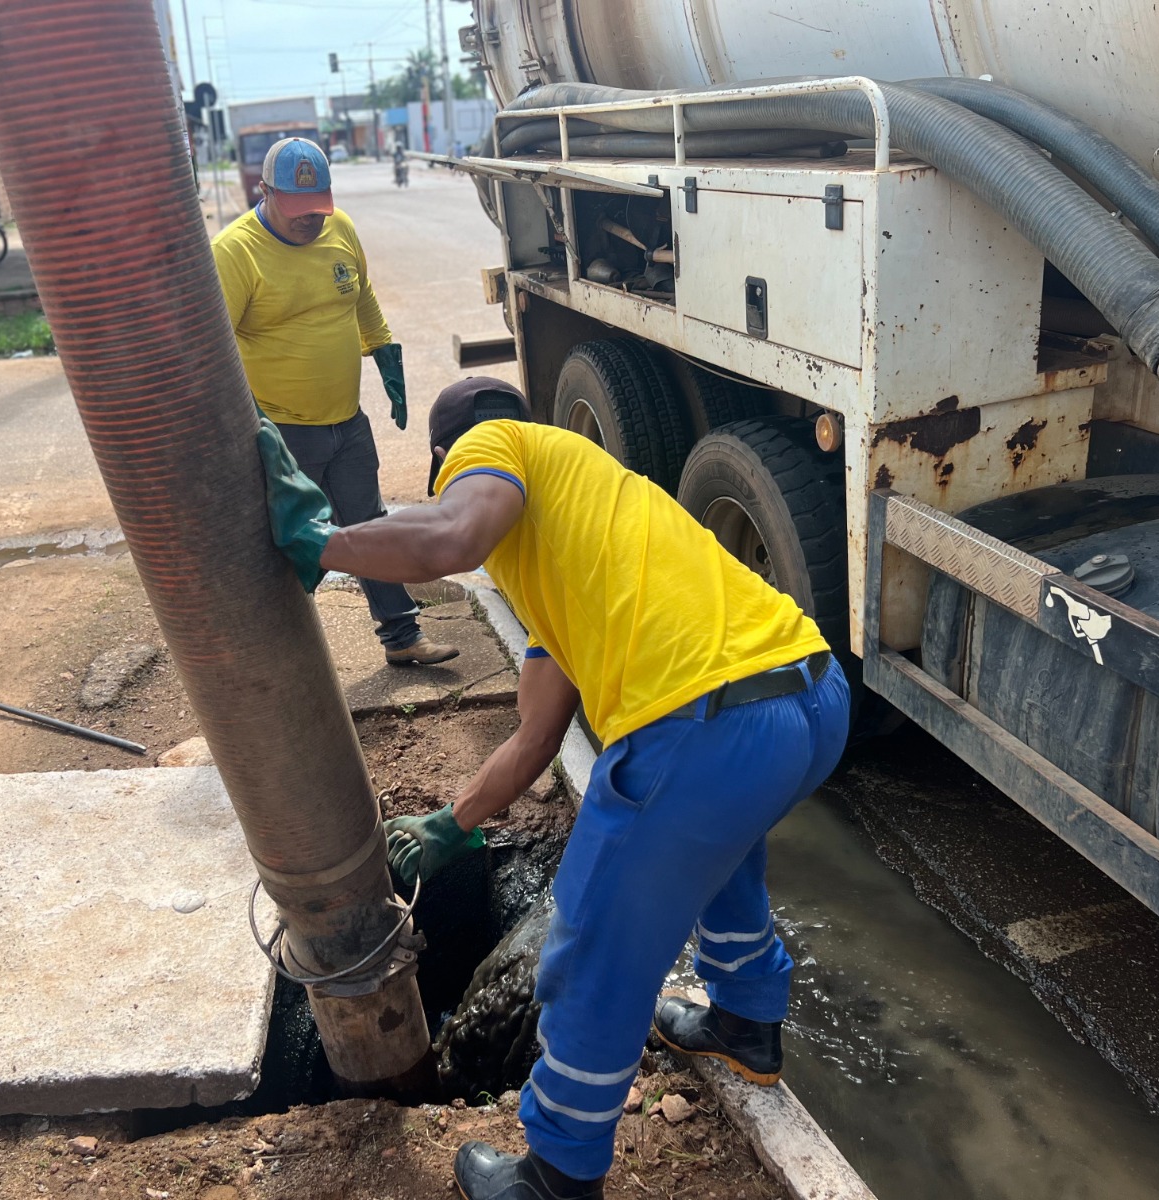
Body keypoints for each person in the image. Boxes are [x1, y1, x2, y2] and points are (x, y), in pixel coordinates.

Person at [256, 377, 851, 1199]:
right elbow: (536, 735)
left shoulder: (496, 446)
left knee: (589, 946)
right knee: (719, 849)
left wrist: (324, 537)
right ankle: (745, 1021)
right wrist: (452, 823)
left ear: (443, 459)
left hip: (709, 725)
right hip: (812, 696)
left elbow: (447, 539)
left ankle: (558, 1174)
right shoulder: (580, 534)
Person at [213, 136, 455, 667]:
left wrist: (384, 353)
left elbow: (361, 293)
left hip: (348, 421)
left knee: (369, 525)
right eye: (299, 211)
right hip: (282, 432)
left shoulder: (338, 227)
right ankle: (279, 660)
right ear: (265, 191)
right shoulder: (235, 252)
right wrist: (246, 423)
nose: (311, 221)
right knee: (289, 544)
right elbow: (214, 347)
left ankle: (402, 636)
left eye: (318, 208)